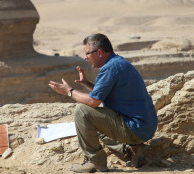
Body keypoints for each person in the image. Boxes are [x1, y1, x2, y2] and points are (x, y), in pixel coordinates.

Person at [49, 33, 157, 173]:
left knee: (82, 111)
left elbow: (93, 102)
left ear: (99, 52)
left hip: (135, 127)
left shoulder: (110, 68)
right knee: (94, 122)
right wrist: (87, 84)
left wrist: (69, 91)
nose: (85, 57)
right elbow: (106, 93)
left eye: (87, 53)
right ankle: (132, 151)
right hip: (144, 126)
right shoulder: (117, 63)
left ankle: (95, 162)